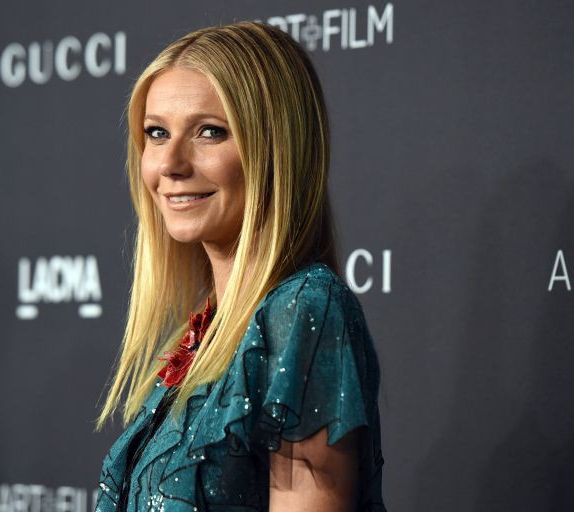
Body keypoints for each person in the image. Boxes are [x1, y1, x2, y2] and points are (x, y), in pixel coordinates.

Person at [93, 21, 386, 511]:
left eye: (210, 132)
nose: (170, 163)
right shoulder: (205, 333)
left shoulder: (304, 310)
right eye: (157, 133)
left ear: (275, 148)